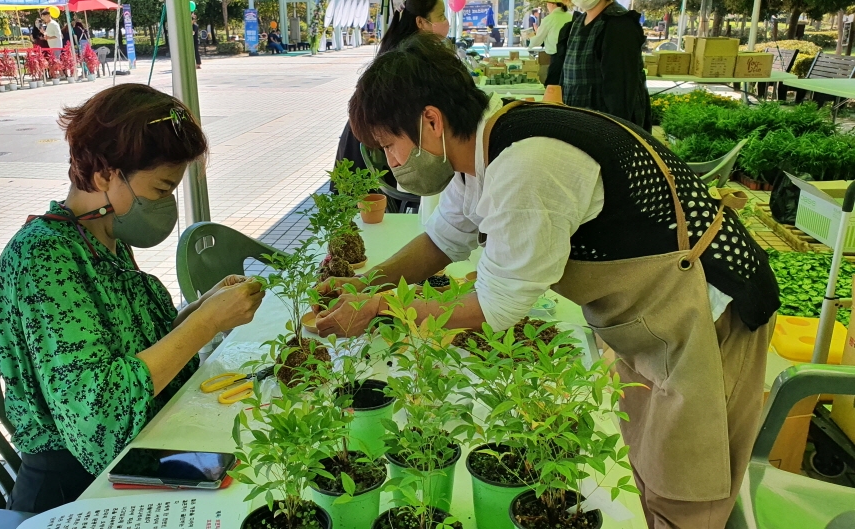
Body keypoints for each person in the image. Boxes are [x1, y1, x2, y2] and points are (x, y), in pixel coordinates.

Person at [319, 34, 779, 529]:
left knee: (688, 491)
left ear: (431, 121)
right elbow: (441, 241)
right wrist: (365, 287)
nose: (390, 163)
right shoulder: (482, 149)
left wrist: (384, 309)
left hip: (708, 316)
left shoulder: (526, 166)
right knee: (647, 467)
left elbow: (491, 310)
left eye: (389, 145)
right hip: (650, 322)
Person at [0, 84, 265, 514]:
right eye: (160, 190)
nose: (168, 205)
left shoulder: (105, 237)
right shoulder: (44, 259)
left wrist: (203, 309)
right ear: (105, 175)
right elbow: (98, 412)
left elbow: (133, 356)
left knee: (256, 472)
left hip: (143, 449)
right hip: (78, 489)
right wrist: (204, 324)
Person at [334, 0, 450, 202]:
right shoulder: (408, 58)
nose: (446, 22)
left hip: (378, 138)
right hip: (369, 141)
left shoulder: (411, 51)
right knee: (363, 208)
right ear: (421, 22)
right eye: (440, 16)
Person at [543, 0, 651, 130]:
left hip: (605, 131)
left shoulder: (619, 26)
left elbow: (620, 96)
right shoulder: (575, 24)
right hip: (579, 125)